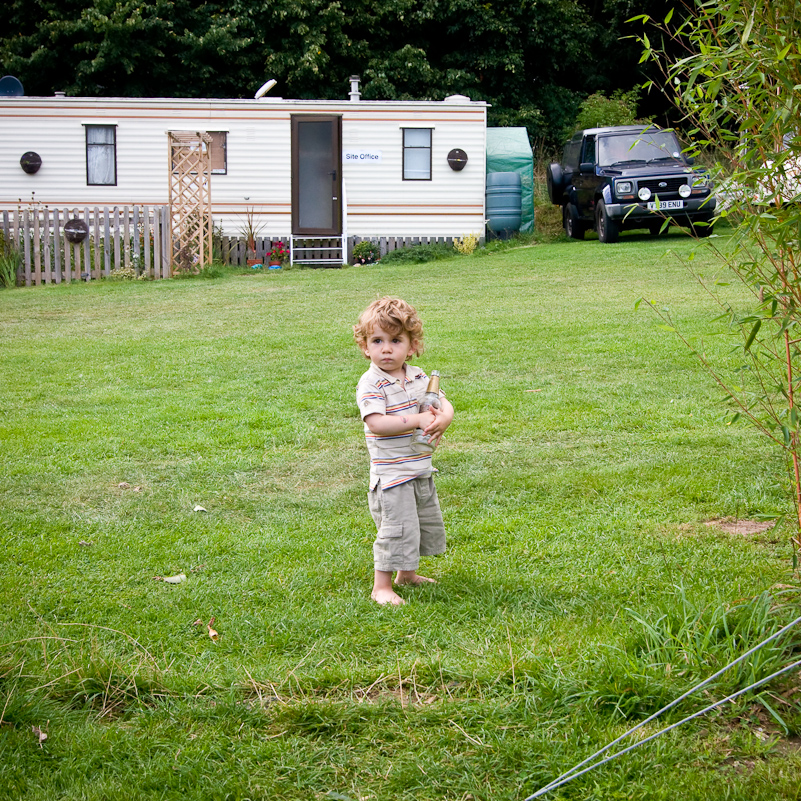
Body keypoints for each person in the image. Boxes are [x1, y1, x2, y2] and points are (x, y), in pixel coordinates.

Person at [353, 297, 455, 606]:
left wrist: (445, 417)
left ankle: (407, 575)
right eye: (377, 341)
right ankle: (381, 587)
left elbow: (441, 402)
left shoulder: (420, 376)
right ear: (365, 347)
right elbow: (377, 423)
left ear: (411, 345)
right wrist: (418, 420)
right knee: (395, 529)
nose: (386, 348)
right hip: (392, 474)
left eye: (395, 340)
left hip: (419, 468)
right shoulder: (372, 383)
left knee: (417, 525)